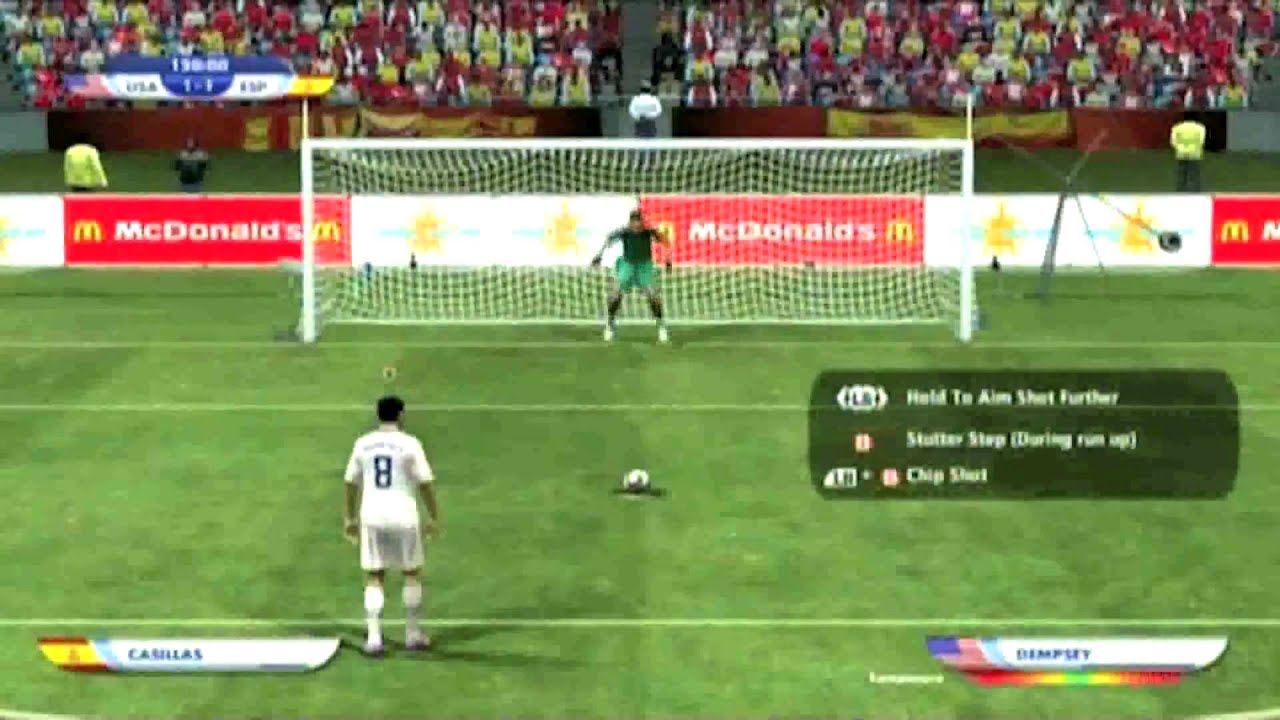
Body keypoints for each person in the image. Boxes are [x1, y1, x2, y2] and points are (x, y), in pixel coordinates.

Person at [343, 395, 441, 656]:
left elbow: (350, 482)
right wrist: (433, 516)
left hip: (372, 514)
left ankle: (374, 638)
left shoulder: (363, 443)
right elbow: (425, 482)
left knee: (374, 575)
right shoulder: (410, 443)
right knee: (411, 572)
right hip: (403, 514)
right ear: (400, 415)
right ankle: (412, 634)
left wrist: (349, 518)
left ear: (378, 415)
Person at [591, 209, 671, 343]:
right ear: (630, 222)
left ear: (642, 222)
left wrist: (668, 260)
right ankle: (610, 324)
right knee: (615, 294)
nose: (637, 225)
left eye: (639, 222)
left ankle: (662, 326)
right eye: (634, 222)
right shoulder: (624, 231)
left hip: (644, 266)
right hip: (627, 265)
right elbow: (609, 239)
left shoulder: (649, 231)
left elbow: (665, 241)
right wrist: (599, 255)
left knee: (653, 295)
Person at [1170, 117, 1206, 192]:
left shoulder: (1177, 127)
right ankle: (1195, 191)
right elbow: (1201, 141)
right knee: (1195, 174)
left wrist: (1180, 148)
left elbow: (1173, 142)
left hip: (1181, 153)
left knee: (1182, 173)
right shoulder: (1200, 127)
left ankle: (1181, 191)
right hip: (1194, 153)